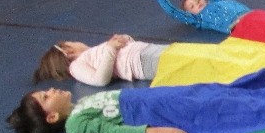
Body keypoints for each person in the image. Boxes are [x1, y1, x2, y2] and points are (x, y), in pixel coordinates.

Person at [6, 87, 188, 133]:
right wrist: (153, 131)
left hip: (142, 98)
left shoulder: (79, 104)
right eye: (46, 97)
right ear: (52, 117)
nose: (51, 90)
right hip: (143, 109)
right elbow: (109, 132)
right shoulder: (74, 124)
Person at [33, 34, 168, 87]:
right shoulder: (76, 66)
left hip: (145, 50)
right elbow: (100, 80)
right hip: (138, 61)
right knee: (176, 63)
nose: (77, 41)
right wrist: (110, 48)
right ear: (68, 50)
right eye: (72, 42)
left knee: (179, 51)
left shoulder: (95, 52)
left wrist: (124, 39)